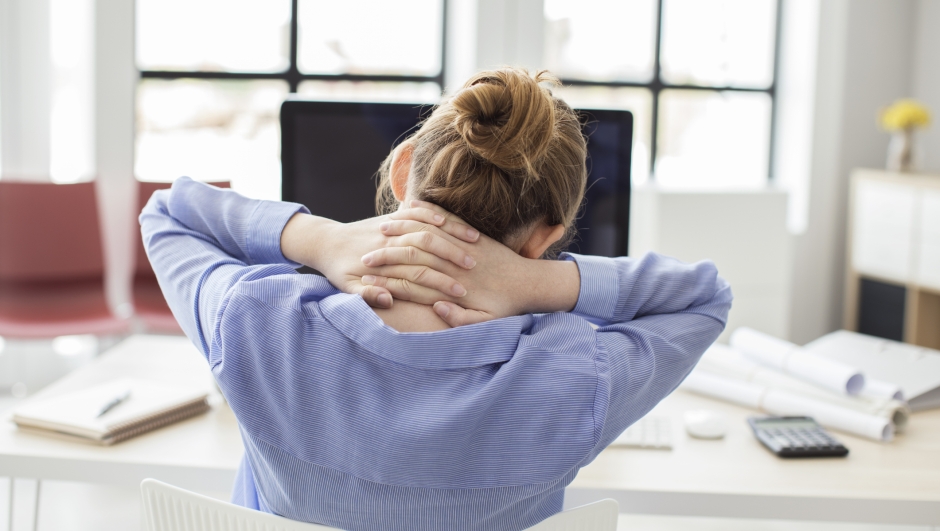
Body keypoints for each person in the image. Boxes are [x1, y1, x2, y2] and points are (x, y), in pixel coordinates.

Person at [140, 68, 732, 531]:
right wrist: (535, 282)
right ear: (549, 234)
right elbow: (704, 297)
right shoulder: (579, 375)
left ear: (401, 175)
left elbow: (170, 213)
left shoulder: (257, 321)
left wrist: (321, 239)